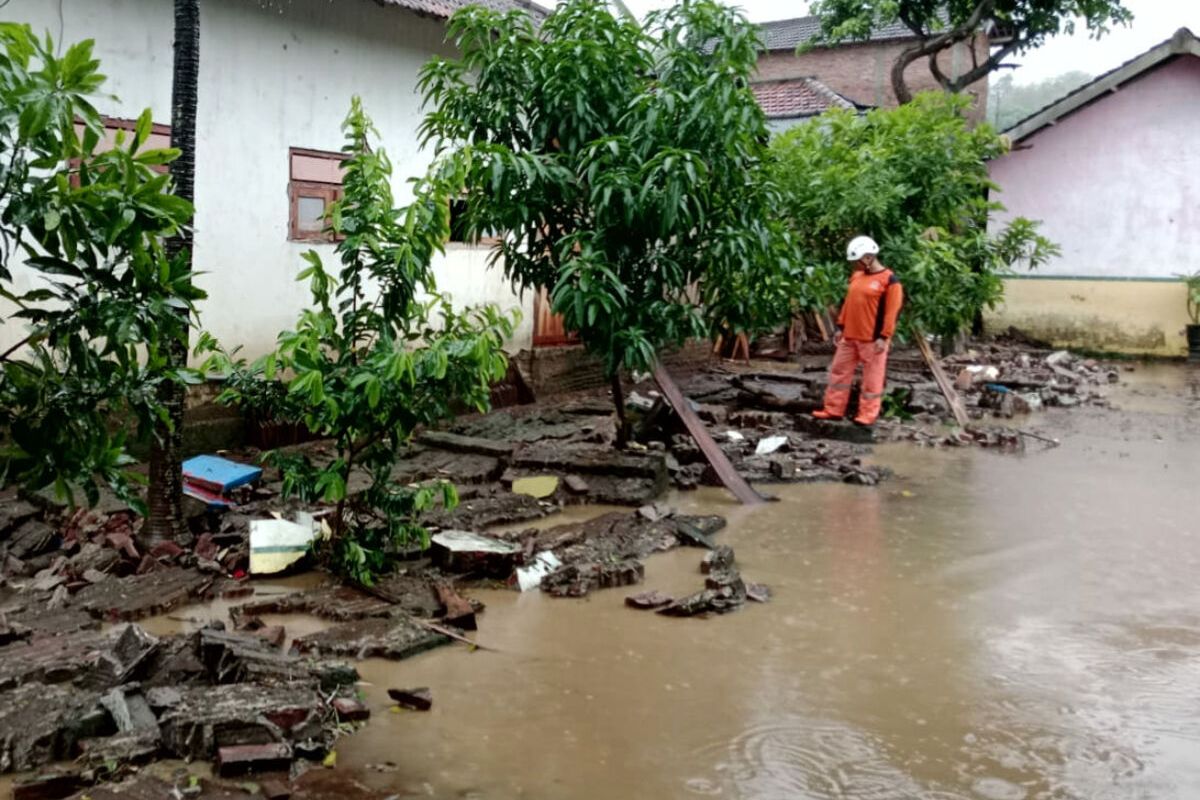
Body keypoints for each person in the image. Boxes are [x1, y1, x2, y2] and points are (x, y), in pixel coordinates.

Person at [812, 235, 904, 426]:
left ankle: (867, 414)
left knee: (872, 378)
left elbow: (891, 313)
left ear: (868, 257)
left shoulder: (890, 281)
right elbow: (848, 304)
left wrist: (884, 336)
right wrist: (840, 327)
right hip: (849, 337)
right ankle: (833, 409)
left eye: (857, 261)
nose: (855, 265)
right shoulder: (857, 277)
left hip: (872, 339)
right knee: (839, 373)